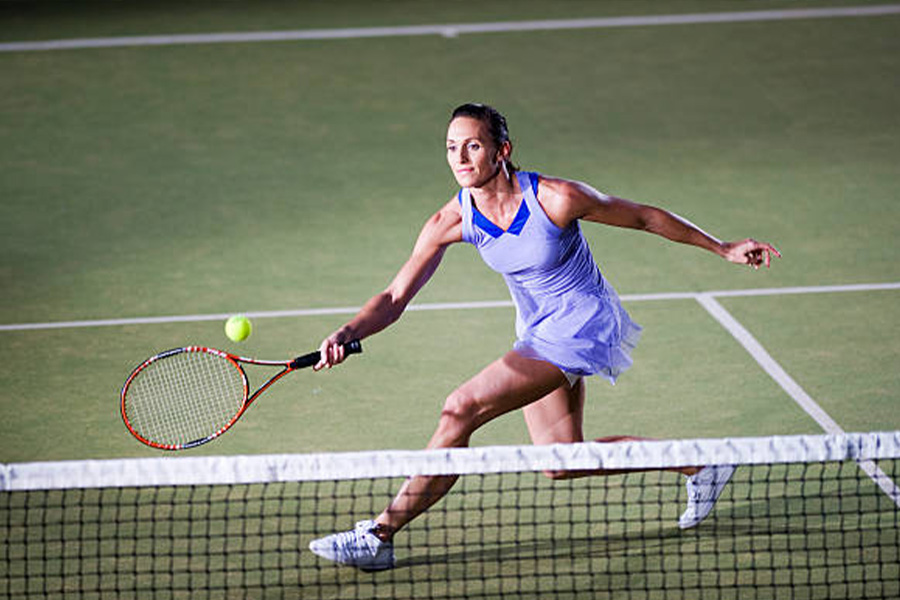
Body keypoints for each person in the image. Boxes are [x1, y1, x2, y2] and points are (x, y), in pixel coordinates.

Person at [308, 103, 780, 571]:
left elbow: (643, 217)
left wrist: (722, 248)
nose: (460, 157)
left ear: (502, 150)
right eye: (451, 147)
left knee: (460, 408)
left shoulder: (555, 197)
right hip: (537, 332)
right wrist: (350, 331)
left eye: (473, 145)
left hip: (582, 324)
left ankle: (379, 534)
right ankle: (702, 463)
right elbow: (394, 296)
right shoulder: (452, 219)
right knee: (561, 461)